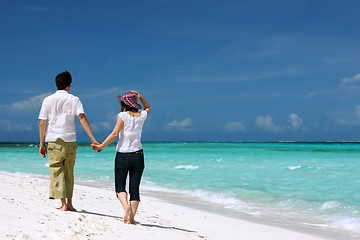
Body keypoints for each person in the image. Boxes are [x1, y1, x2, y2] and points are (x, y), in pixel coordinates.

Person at [38, 71, 99, 211]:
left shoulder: (47, 100)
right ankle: (70, 204)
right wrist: (93, 139)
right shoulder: (74, 99)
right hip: (70, 141)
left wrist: (41, 144)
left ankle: (63, 204)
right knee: (69, 173)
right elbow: (82, 118)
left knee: (57, 171)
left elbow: (42, 123)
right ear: (69, 86)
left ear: (56, 84)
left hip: (54, 140)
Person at [91, 90, 150, 224]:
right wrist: (140, 96)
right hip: (138, 155)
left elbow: (114, 134)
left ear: (124, 103)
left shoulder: (123, 115)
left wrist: (101, 146)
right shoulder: (142, 116)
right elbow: (147, 107)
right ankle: (132, 218)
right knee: (134, 188)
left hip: (123, 155)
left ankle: (126, 207)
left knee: (120, 187)